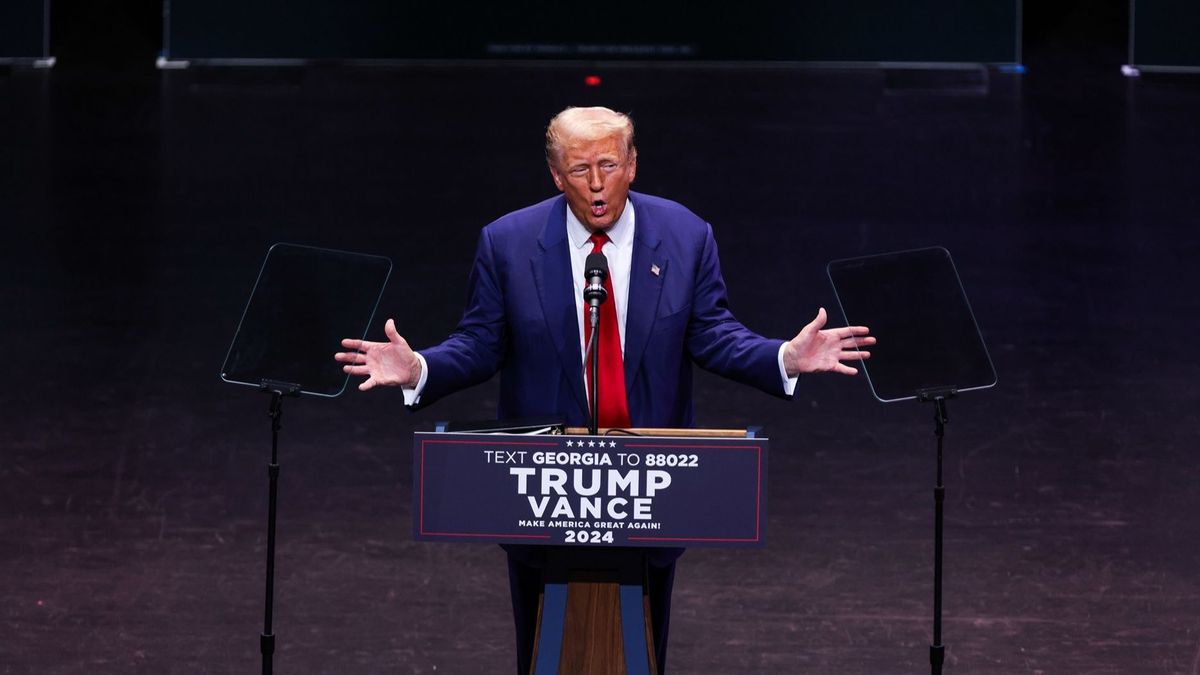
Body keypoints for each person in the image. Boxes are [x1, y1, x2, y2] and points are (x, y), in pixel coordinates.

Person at [335, 106, 873, 674]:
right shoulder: (508, 243)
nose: (596, 184)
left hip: (649, 487)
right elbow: (479, 345)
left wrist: (784, 356)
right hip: (543, 491)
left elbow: (713, 334)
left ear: (633, 165)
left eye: (610, 165)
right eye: (580, 168)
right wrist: (419, 368)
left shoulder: (686, 236)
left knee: (643, 646)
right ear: (555, 174)